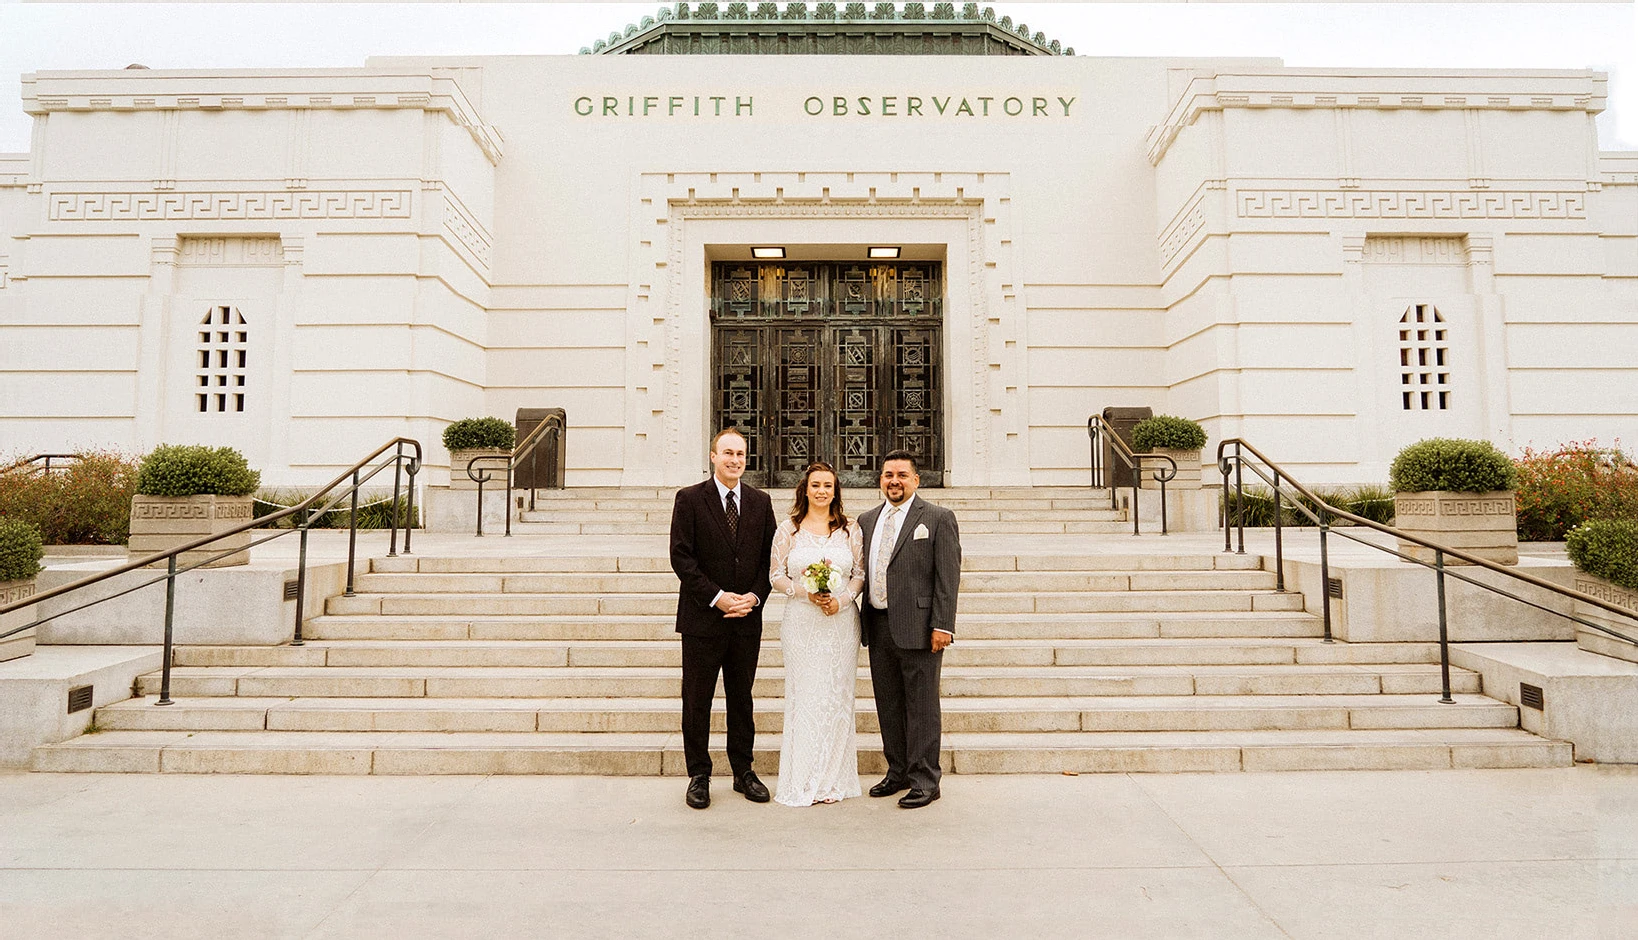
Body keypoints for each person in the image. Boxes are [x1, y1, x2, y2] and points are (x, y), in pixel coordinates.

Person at [668, 428, 778, 810]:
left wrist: (754, 596)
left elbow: (770, 558)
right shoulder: (689, 499)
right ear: (713, 456)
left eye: (741, 454)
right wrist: (717, 598)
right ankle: (699, 774)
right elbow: (681, 557)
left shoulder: (761, 502)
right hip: (702, 619)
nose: (734, 460)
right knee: (697, 701)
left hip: (746, 619)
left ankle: (743, 771)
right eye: (727, 453)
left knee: (741, 699)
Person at [857, 449, 961, 809]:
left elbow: (947, 577)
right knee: (889, 704)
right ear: (880, 480)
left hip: (920, 628)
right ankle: (897, 770)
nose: (894, 481)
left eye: (902, 475)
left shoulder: (936, 518)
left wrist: (943, 624)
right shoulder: (866, 520)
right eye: (888, 475)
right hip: (877, 623)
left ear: (916, 480)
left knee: (922, 706)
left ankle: (926, 779)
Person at [768, 461, 865, 807]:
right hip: (801, 623)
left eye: (828, 485)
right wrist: (804, 592)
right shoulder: (788, 530)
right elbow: (775, 575)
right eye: (816, 485)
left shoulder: (849, 529)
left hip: (840, 623)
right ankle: (804, 777)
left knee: (838, 696)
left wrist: (844, 599)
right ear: (805, 490)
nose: (822, 491)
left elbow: (859, 574)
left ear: (835, 491)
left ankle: (834, 778)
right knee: (805, 696)